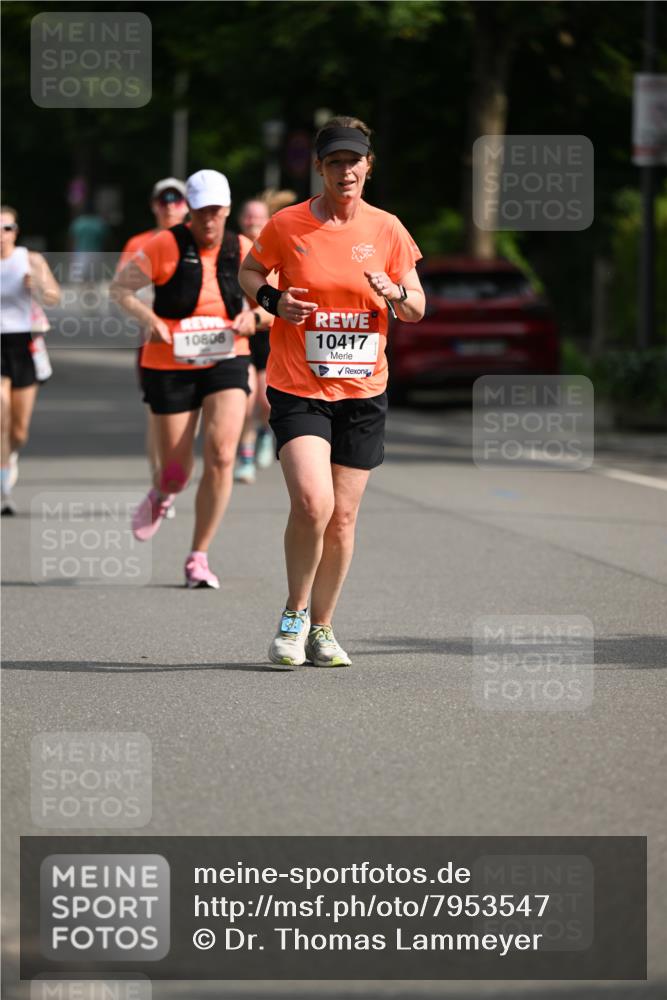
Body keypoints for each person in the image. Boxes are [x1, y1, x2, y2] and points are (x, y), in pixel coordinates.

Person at [239, 115, 425, 668]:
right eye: (335, 162)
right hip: (299, 385)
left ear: (369, 167)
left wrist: (393, 291)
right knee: (313, 502)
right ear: (319, 168)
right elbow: (250, 273)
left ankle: (323, 627)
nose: (347, 171)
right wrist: (274, 302)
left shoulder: (387, 229)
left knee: (343, 517)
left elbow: (416, 307)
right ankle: (293, 616)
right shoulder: (287, 225)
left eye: (355, 161)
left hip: (363, 390)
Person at [111, 169, 268, 589]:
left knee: (221, 454)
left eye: (217, 211)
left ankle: (198, 556)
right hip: (169, 363)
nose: (209, 221)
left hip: (226, 357)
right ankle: (163, 493)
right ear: (190, 212)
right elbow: (120, 290)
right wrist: (150, 321)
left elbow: (275, 305)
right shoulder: (165, 245)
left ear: (228, 209)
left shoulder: (244, 249)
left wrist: (253, 317)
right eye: (201, 213)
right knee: (176, 471)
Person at [118, 178, 189, 512]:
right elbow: (123, 291)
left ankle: (172, 477)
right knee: (156, 415)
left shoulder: (200, 239)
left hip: (196, 342)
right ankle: (161, 485)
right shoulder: (139, 242)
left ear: (187, 205)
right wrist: (151, 318)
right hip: (153, 340)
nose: (170, 206)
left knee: (188, 419)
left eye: (177, 199)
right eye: (164, 200)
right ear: (153, 205)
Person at [1, 206, 61, 515]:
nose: (2, 235)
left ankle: (8, 459)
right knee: (1, 407)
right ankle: (3, 488)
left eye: (7, 228)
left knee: (19, 430)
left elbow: (54, 296)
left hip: (24, 343)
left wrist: (36, 286)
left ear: (16, 231)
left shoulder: (30, 260)